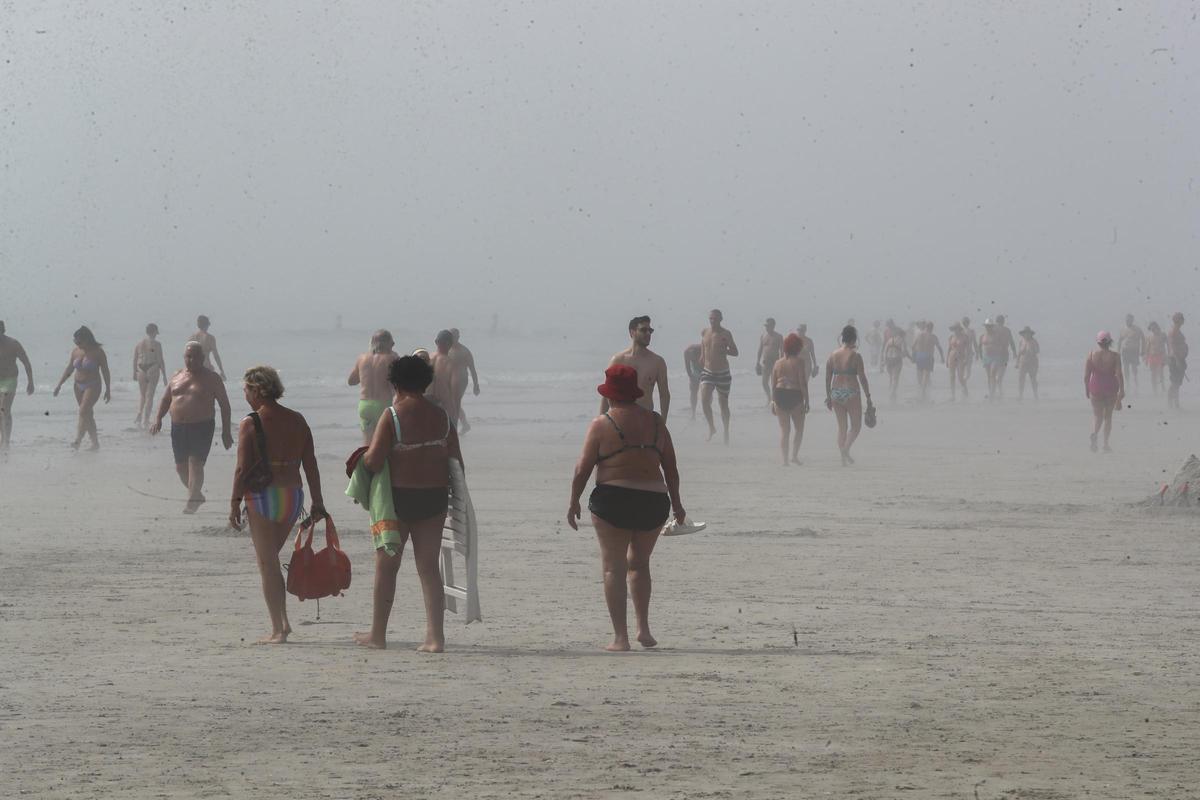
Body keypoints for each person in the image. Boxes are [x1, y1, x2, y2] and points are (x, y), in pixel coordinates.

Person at [567, 365, 685, 651]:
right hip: (653, 502)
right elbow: (671, 468)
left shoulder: (601, 424)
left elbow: (583, 468)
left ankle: (621, 638)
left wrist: (574, 501)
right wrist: (679, 506)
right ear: (634, 393)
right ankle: (643, 630)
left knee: (613, 568)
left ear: (610, 395)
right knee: (640, 564)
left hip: (613, 500)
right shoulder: (657, 423)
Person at [356, 355, 463, 653]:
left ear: (395, 383)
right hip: (434, 497)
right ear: (426, 381)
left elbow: (375, 460)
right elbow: (457, 463)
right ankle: (435, 638)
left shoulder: (392, 415)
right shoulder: (442, 417)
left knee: (387, 566)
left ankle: (378, 634)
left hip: (400, 498)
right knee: (428, 567)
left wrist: (361, 460)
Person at [228, 366, 326, 644]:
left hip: (262, 497)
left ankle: (278, 629)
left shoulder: (251, 422)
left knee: (268, 564)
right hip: (292, 495)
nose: (245, 395)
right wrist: (318, 501)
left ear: (258, 390)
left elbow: (241, 469)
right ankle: (282, 622)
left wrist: (234, 503)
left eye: (246, 389)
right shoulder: (297, 420)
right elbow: (311, 465)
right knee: (270, 561)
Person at [150, 342, 233, 513]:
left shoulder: (212, 378)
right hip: (178, 427)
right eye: (188, 356)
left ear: (202, 358)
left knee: (195, 463)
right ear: (184, 357)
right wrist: (158, 418)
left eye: (195, 356)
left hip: (202, 426)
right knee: (181, 467)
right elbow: (166, 399)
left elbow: (225, 405)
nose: (191, 360)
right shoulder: (177, 376)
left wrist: (226, 432)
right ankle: (196, 495)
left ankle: (193, 499)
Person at [601, 316, 671, 421]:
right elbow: (606, 394)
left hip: (645, 420)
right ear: (632, 332)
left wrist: (663, 422)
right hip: (621, 422)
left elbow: (664, 395)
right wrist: (601, 421)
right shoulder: (618, 360)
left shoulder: (657, 362)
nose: (648, 334)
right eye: (643, 330)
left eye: (650, 330)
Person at [52, 326, 111, 450]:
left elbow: (105, 370)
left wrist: (108, 389)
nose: (78, 344)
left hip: (93, 385)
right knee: (87, 414)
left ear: (87, 339)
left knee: (83, 411)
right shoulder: (76, 351)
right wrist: (59, 385)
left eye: (80, 342)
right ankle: (95, 443)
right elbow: (69, 369)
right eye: (75, 342)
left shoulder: (98, 352)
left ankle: (78, 440)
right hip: (77, 386)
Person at [825, 326, 873, 466]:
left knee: (842, 427)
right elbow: (862, 378)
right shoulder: (856, 355)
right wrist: (868, 396)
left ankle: (843, 459)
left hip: (835, 392)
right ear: (853, 338)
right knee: (856, 427)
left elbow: (828, 377)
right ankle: (845, 450)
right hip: (851, 391)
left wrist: (828, 395)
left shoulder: (833, 355)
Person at [348, 329, 399, 445]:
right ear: (386, 343)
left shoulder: (362, 358)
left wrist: (368, 375)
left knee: (367, 443)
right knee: (385, 442)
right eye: (392, 344)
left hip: (365, 405)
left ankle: (365, 463)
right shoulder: (392, 358)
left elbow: (351, 381)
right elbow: (399, 382)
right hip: (383, 405)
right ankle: (383, 463)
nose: (393, 347)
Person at [770, 333, 809, 466]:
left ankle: (785, 460)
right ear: (798, 347)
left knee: (784, 430)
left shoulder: (777, 363)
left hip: (779, 394)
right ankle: (794, 456)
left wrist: (772, 401)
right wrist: (807, 400)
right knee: (799, 429)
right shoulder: (799, 361)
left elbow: (773, 383)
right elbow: (802, 382)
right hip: (795, 394)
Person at [700, 309, 738, 443]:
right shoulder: (704, 332)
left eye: (715, 318)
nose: (712, 321)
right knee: (704, 400)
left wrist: (726, 350)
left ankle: (726, 432)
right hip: (707, 371)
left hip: (723, 373)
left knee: (723, 404)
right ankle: (712, 428)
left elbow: (735, 352)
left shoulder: (726, 334)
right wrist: (702, 359)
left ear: (721, 319)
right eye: (710, 318)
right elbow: (703, 347)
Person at [1084, 332, 1124, 452]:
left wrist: (1087, 389)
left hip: (1095, 387)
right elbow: (1119, 374)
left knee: (1097, 416)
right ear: (1110, 342)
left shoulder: (1091, 355)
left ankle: (1095, 434)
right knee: (1108, 417)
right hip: (1110, 388)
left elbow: (1086, 376)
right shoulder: (1115, 356)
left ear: (1098, 342)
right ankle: (1105, 444)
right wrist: (1122, 390)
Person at [0, 321, 34, 449]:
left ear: (3, 330)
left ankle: (6, 441)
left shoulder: (13, 344)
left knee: (4, 409)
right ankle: (3, 438)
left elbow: (26, 362)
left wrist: (30, 382)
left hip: (9, 379)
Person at [132, 323, 167, 429]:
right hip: (152, 368)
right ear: (155, 332)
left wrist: (134, 372)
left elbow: (135, 359)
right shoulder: (157, 344)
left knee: (143, 395)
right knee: (149, 396)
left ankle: (139, 413)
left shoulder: (139, 344)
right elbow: (160, 360)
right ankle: (146, 419)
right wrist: (164, 375)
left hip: (141, 369)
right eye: (157, 332)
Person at [448, 328, 481, 434]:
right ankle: (464, 424)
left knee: (454, 402)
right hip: (449, 379)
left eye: (454, 336)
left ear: (458, 337)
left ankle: (455, 426)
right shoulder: (447, 349)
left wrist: (476, 385)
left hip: (461, 380)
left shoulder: (464, 351)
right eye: (450, 336)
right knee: (451, 402)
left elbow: (472, 369)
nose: (452, 338)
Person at [429, 330, 461, 424]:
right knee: (446, 435)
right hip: (442, 404)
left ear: (436, 342)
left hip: (426, 402)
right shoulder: (451, 363)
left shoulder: (428, 357)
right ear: (449, 344)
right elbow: (456, 391)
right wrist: (455, 414)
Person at [911, 321, 944, 402]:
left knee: (919, 374)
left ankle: (920, 390)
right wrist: (942, 357)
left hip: (919, 355)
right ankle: (923, 392)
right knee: (926, 375)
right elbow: (939, 347)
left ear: (926, 327)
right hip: (928, 356)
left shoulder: (919, 335)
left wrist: (914, 356)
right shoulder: (933, 337)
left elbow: (912, 346)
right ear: (932, 328)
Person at [755, 318, 784, 407]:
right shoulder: (763, 336)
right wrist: (757, 362)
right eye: (766, 326)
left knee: (774, 383)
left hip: (775, 362)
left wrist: (781, 362)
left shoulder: (779, 336)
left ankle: (774, 401)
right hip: (765, 363)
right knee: (764, 382)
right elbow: (760, 349)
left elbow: (782, 351)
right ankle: (769, 397)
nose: (767, 327)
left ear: (773, 326)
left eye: (768, 326)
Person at [190, 315, 226, 380]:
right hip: (206, 367)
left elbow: (188, 355)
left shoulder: (192, 337)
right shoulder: (210, 338)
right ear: (207, 325)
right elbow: (216, 356)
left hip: (195, 368)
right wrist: (221, 371)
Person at [979, 319, 1008, 401]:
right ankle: (991, 392)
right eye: (987, 326)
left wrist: (1000, 353)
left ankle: (992, 393)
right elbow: (979, 346)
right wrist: (980, 356)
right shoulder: (983, 336)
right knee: (989, 376)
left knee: (992, 374)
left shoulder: (997, 335)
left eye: (990, 326)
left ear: (992, 327)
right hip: (986, 357)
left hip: (995, 356)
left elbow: (1003, 345)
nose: (988, 328)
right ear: (985, 326)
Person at [991, 314, 1018, 398]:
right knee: (1000, 374)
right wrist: (1014, 352)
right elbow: (1012, 342)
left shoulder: (993, 329)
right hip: (1005, 354)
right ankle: (999, 392)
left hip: (995, 354)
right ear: (1003, 321)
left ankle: (995, 392)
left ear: (996, 321)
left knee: (993, 374)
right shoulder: (1007, 330)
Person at [1118, 314, 1146, 393]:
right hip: (1125, 351)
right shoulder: (1123, 329)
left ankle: (1136, 384)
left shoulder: (1137, 329)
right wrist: (1118, 351)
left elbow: (1143, 339)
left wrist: (1143, 350)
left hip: (1134, 351)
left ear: (1132, 320)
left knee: (1134, 369)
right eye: (1127, 320)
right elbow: (1120, 341)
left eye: (1129, 320)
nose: (1128, 321)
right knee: (1126, 368)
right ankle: (1127, 385)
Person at [882, 320, 907, 402]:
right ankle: (893, 393)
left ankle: (890, 390)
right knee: (895, 378)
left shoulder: (890, 340)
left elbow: (885, 350)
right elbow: (903, 352)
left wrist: (884, 361)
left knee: (891, 377)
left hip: (889, 360)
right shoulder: (901, 340)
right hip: (897, 360)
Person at [1167, 312, 1187, 410]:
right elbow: (1173, 347)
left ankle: (1175, 403)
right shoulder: (1173, 331)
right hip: (1175, 360)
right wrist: (1177, 360)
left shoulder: (1177, 331)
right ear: (1177, 320)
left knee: (1177, 383)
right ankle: (1172, 403)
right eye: (1181, 319)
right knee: (1175, 382)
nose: (1183, 320)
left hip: (1179, 359)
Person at [946, 323, 971, 402]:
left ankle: (965, 391)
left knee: (960, 376)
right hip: (952, 357)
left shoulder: (964, 337)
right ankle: (952, 395)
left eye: (956, 328)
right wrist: (947, 359)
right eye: (954, 329)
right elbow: (949, 348)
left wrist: (966, 359)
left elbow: (968, 349)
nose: (955, 330)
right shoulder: (951, 337)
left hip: (961, 357)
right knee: (952, 376)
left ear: (959, 329)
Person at [1017, 326, 1040, 401]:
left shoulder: (1034, 341)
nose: (1026, 335)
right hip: (1022, 362)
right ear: (1023, 334)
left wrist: (1031, 351)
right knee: (1021, 379)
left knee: (1033, 379)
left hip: (1032, 363)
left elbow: (1037, 351)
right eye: (1025, 334)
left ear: (1030, 334)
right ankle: (1020, 395)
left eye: (1028, 334)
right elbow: (1019, 353)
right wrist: (1017, 362)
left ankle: (1035, 395)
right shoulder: (1021, 341)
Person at [1145, 321, 1167, 396]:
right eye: (1152, 329)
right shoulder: (1149, 336)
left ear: (1157, 327)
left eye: (1154, 328)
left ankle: (1163, 388)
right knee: (1153, 374)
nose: (1153, 330)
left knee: (1160, 372)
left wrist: (1168, 355)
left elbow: (1168, 344)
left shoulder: (1163, 335)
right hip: (1152, 356)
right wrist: (1146, 359)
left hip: (1160, 356)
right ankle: (1155, 390)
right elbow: (1147, 348)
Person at [683, 343, 702, 419]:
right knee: (693, 391)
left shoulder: (703, 349)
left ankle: (707, 411)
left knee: (707, 392)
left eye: (694, 358)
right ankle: (693, 414)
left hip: (705, 367)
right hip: (695, 370)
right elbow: (688, 367)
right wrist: (691, 377)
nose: (693, 359)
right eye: (692, 358)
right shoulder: (686, 353)